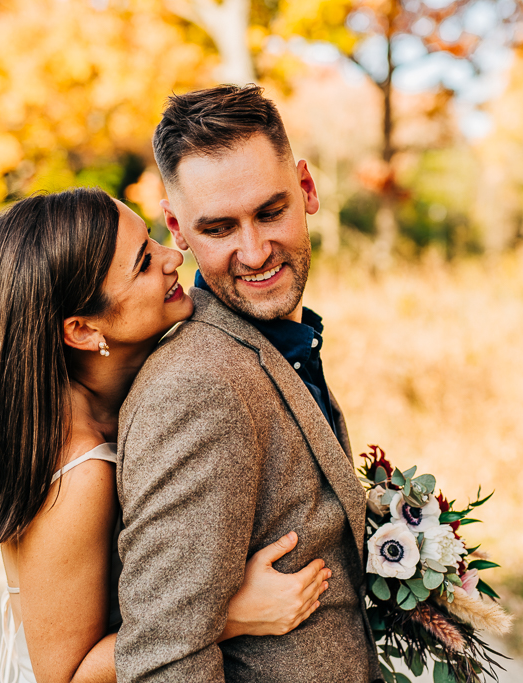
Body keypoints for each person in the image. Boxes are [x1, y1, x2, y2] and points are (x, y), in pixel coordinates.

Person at [0, 187, 333, 683]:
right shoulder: (78, 475)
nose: (173, 255)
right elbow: (66, 676)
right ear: (81, 330)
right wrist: (231, 614)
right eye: (144, 263)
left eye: (152, 238)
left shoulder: (122, 402)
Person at [113, 85, 382, 682]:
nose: (255, 252)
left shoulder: (276, 343)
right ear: (178, 229)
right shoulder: (198, 388)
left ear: (306, 190)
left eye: (270, 212)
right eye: (219, 228)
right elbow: (164, 660)